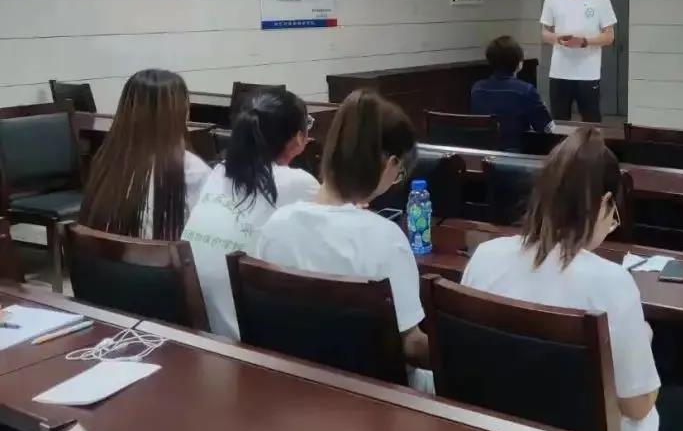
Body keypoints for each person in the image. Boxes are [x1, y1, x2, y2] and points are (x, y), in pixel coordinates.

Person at [463, 128, 683, 431]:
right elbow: (638, 406)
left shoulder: (484, 257)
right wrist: (643, 343)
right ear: (604, 203)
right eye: (614, 213)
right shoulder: (612, 283)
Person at [255, 90, 428, 376]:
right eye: (399, 174)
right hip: (373, 394)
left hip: (293, 384)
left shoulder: (276, 226)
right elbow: (411, 344)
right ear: (389, 164)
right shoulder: (386, 239)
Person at [181, 90, 319, 339]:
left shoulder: (219, 172)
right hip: (246, 339)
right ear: (299, 139)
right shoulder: (299, 183)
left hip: (199, 329)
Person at [81, 69, 210, 241]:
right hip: (161, 258)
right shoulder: (191, 169)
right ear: (179, 113)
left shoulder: (107, 160)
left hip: (106, 257)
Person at [540, 0, 617, 123]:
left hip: (588, 73)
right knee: (559, 122)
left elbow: (609, 36)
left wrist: (584, 42)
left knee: (592, 122)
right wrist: (558, 39)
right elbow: (545, 33)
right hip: (559, 72)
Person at [471, 35, 554, 151]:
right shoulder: (525, 90)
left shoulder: (477, 89)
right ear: (519, 63)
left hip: (483, 152)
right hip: (515, 153)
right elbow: (547, 128)